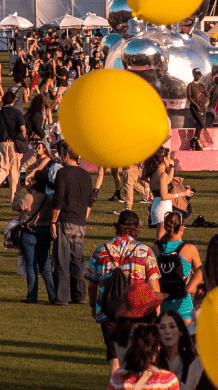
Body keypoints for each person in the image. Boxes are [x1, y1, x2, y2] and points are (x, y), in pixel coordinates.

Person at [84, 210, 163, 360]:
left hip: (109, 311)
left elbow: (91, 285)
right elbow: (154, 288)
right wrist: (156, 316)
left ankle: (115, 383)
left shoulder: (101, 251)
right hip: (137, 312)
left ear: (118, 227)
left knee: (115, 357)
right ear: (137, 228)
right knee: (138, 356)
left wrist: (93, 306)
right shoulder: (145, 252)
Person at [49, 144, 92, 306]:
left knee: (61, 260)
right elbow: (89, 202)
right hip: (80, 222)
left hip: (64, 220)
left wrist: (53, 221)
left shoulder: (62, 173)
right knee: (77, 261)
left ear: (67, 155)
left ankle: (61, 297)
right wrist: (83, 218)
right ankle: (79, 295)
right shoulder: (86, 175)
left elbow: (58, 200)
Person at [154, 210, 203, 330]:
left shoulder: (156, 248)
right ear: (181, 228)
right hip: (184, 307)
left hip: (163, 306)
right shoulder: (189, 249)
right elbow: (200, 276)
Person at [15, 171, 57, 305]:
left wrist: (18, 190)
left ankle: (32, 297)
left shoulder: (28, 198)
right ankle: (53, 296)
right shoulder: (49, 199)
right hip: (44, 231)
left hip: (29, 232)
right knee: (45, 266)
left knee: (31, 266)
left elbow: (14, 206)